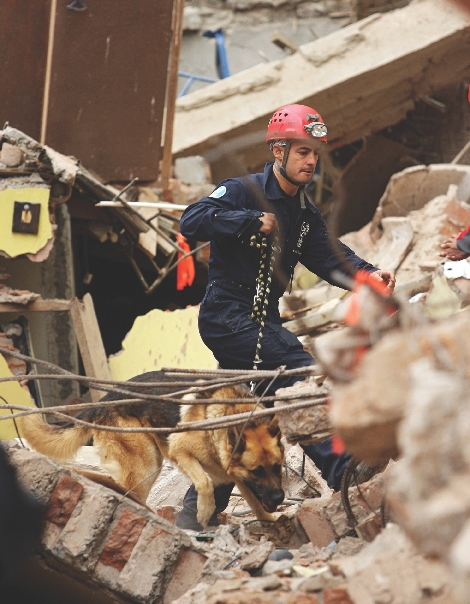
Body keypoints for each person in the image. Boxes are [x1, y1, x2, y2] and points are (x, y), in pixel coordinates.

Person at [176, 104, 396, 531]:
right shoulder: (241, 190)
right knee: (295, 367)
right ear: (278, 152)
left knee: (246, 414)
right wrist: (248, 221)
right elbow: (192, 220)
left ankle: (195, 513)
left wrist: (369, 276)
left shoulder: (305, 214)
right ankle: (342, 469)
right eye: (301, 152)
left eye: (314, 153)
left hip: (262, 322)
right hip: (227, 316)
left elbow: (331, 258)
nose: (310, 161)